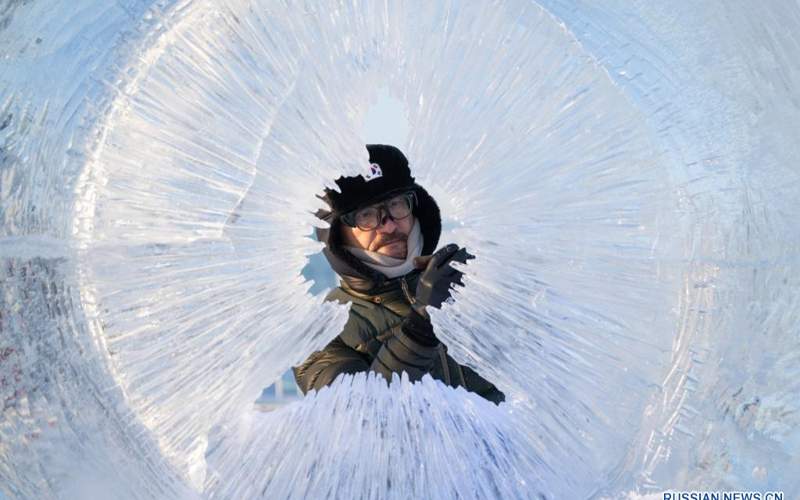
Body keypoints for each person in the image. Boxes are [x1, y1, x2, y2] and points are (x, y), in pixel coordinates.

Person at [292, 144, 505, 405]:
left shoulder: (465, 283)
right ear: (335, 234)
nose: (390, 224)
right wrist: (420, 326)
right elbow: (362, 417)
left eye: (396, 204)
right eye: (367, 215)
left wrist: (497, 281)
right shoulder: (318, 334)